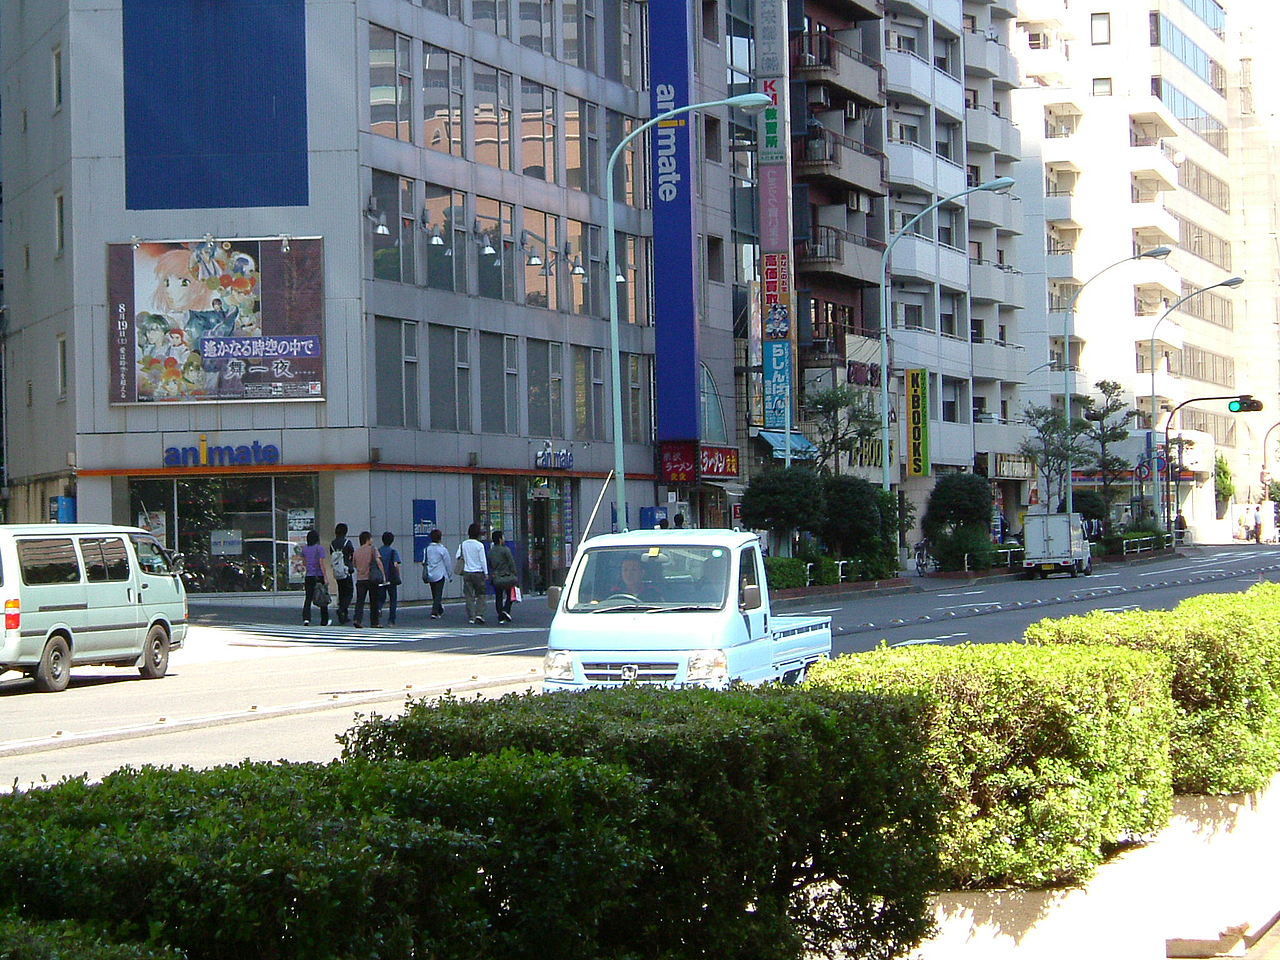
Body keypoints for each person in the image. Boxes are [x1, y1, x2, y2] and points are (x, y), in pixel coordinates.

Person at [300, 530, 337, 626]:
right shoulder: (319, 548)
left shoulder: (304, 549)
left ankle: (306, 618)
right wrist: (325, 577)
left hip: (309, 576)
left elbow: (304, 563)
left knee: (308, 598)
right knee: (322, 597)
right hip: (318, 575)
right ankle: (324, 620)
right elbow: (321, 563)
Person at [351, 531, 387, 628]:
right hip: (371, 579)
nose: (372, 540)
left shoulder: (356, 551)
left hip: (360, 579)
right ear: (367, 539)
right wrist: (383, 575)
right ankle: (374, 622)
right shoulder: (373, 549)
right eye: (371, 538)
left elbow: (354, 564)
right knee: (374, 601)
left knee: (360, 601)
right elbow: (378, 562)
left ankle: (357, 619)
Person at [456, 522, 489, 624]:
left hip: (467, 572)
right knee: (481, 594)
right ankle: (479, 614)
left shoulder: (463, 544)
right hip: (478, 572)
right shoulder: (479, 545)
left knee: (469, 595)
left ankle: (471, 617)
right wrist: (486, 572)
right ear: (478, 533)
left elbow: (457, 556)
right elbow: (483, 560)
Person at [488, 530, 518, 624]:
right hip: (507, 576)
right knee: (510, 595)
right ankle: (506, 610)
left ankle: (500, 613)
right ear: (500, 539)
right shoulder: (505, 550)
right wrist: (514, 573)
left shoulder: (491, 551)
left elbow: (490, 564)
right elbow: (511, 562)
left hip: (497, 576)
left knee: (498, 596)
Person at [422, 528, 452, 619]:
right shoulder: (442, 550)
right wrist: (450, 575)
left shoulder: (427, 549)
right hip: (440, 574)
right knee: (438, 594)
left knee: (434, 593)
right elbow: (448, 563)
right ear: (440, 538)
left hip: (430, 573)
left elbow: (424, 561)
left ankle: (438, 609)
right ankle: (434, 612)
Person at [330, 524, 355, 624]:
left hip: (337, 571)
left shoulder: (332, 543)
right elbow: (352, 554)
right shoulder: (347, 542)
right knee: (349, 592)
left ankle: (344, 616)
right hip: (346, 570)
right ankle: (342, 610)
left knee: (341, 592)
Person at [378, 531, 402, 626]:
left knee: (381, 598)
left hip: (381, 578)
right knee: (393, 599)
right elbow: (396, 564)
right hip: (391, 579)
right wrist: (398, 575)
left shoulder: (378, 551)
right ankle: (391, 620)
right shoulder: (393, 551)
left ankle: (379, 609)